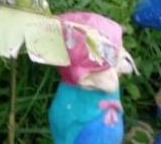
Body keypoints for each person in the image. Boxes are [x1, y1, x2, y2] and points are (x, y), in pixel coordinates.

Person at [49, 12, 134, 144]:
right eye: (114, 60)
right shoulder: (84, 118)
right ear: (86, 78)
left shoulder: (96, 83)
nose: (124, 64)